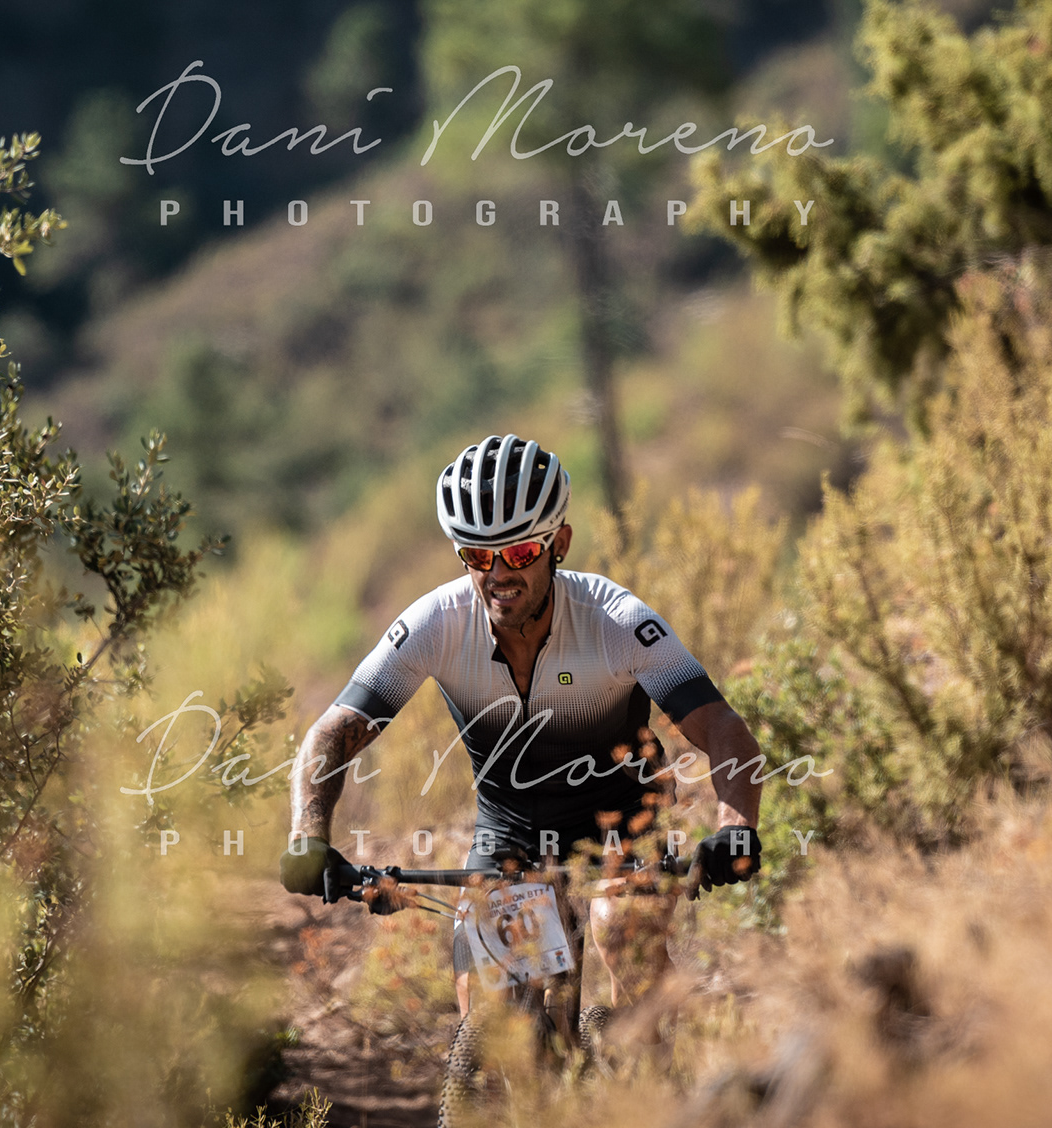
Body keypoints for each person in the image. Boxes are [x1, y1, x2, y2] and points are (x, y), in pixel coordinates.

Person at [279, 433, 764, 1012]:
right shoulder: (438, 622)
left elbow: (721, 726)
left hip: (626, 819)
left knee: (621, 931)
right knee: (486, 1005)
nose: (498, 574)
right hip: (509, 829)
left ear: (559, 544)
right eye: (478, 556)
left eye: (519, 553)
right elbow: (335, 731)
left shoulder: (614, 621)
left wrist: (736, 826)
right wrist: (307, 836)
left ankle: (644, 1058)